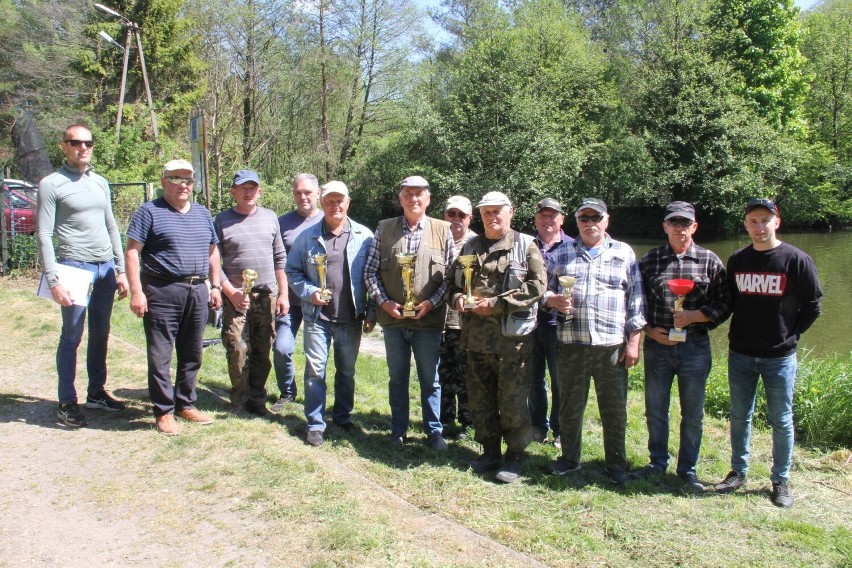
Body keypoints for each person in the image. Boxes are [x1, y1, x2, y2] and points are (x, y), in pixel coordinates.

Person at [714, 198, 822, 508]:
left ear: (776, 222)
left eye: (765, 220)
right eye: (753, 221)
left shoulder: (796, 260)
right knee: (739, 415)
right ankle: (738, 471)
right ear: (746, 225)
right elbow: (729, 302)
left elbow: (813, 305)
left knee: (781, 419)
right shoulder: (737, 260)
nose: (759, 227)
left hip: (780, 357)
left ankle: (780, 479)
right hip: (741, 353)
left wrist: (791, 333)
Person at [543, 198, 646, 485]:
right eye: (584, 218)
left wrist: (634, 342)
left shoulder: (623, 253)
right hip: (571, 343)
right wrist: (553, 300)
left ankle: (616, 463)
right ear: (576, 221)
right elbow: (544, 294)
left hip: (610, 345)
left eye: (595, 218)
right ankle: (569, 459)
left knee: (614, 409)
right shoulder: (562, 253)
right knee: (569, 406)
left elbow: (636, 301)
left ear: (606, 220)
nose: (590, 223)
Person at [446, 191, 546, 483]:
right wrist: (458, 301)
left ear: (510, 212)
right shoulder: (471, 246)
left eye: (497, 211)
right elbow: (452, 285)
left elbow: (537, 286)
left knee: (513, 401)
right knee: (480, 399)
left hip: (511, 342)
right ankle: (489, 451)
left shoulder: (525, 245)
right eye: (487, 212)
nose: (492, 216)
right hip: (475, 339)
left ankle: (515, 456)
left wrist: (498, 304)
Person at [36, 124, 129, 428]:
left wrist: (121, 270)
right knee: (72, 336)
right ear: (63, 146)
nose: (83, 148)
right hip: (74, 268)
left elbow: (111, 226)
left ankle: (97, 393)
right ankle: (66, 402)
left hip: (104, 269)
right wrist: (54, 279)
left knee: (100, 334)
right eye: (76, 142)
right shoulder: (52, 184)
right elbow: (44, 235)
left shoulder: (100, 182)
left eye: (88, 143)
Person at [634, 201, 731, 491]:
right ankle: (657, 462)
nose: (680, 228)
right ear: (665, 226)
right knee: (655, 408)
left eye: (685, 223)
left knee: (693, 412)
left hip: (695, 347)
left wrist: (694, 316)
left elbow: (725, 301)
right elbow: (637, 302)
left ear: (694, 226)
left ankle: (687, 468)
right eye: (674, 222)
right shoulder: (650, 261)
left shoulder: (709, 260)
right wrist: (649, 330)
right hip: (658, 346)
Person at [125, 159, 223, 436]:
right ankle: (163, 411)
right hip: (161, 290)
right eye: (177, 178)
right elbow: (132, 251)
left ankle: (185, 403)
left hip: (197, 290)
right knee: (161, 354)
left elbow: (213, 251)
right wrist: (136, 291)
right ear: (164, 181)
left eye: (188, 180)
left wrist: (215, 286)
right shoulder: (149, 212)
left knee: (192, 352)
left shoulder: (203, 213)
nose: (184, 185)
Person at [364, 176, 454, 451]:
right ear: (400, 198)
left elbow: (451, 277)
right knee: (397, 378)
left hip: (428, 321)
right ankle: (398, 430)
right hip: (392, 320)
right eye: (408, 194)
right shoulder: (384, 228)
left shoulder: (442, 229)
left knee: (431, 380)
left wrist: (431, 303)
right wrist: (383, 302)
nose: (413, 199)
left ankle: (434, 432)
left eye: (419, 194)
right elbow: (370, 271)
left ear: (428, 199)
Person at [285, 181, 376, 447]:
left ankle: (342, 416)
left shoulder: (364, 236)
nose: (335, 206)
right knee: (315, 371)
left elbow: (372, 277)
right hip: (317, 317)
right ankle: (315, 423)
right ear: (322, 203)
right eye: (330, 201)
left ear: (348, 202)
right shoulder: (307, 237)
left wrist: (371, 311)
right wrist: (310, 291)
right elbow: (292, 272)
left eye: (340, 201)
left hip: (351, 317)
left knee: (346, 371)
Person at [214, 169, 288, 416]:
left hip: (266, 296)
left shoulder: (270, 218)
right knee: (237, 347)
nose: (248, 192)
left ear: (259, 191)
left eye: (252, 188)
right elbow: (212, 261)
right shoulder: (222, 220)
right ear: (233, 191)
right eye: (242, 188)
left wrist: (284, 294)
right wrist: (230, 291)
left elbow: (280, 258)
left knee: (262, 349)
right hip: (236, 297)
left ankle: (257, 400)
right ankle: (239, 401)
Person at [271, 173, 323, 411]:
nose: (303, 197)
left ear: (318, 194)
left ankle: (316, 396)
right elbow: (276, 260)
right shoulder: (281, 223)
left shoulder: (329, 219)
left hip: (317, 301)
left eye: (308, 192)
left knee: (316, 354)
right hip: (289, 299)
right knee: (282, 348)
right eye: (298, 193)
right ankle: (288, 391)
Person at [529, 198, 573, 445]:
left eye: (552, 216)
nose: (547, 220)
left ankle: (559, 429)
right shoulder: (526, 244)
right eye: (543, 215)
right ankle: (537, 425)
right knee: (533, 379)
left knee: (560, 380)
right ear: (536, 218)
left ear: (561, 219)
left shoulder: (573, 246)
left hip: (560, 325)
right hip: (530, 323)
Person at [438, 195, 477, 438]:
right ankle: (443, 419)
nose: (455, 219)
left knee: (466, 374)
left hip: (465, 321)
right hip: (436, 319)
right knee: (442, 373)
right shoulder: (434, 238)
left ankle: (468, 422)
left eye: (461, 215)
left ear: (470, 218)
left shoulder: (477, 244)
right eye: (451, 214)